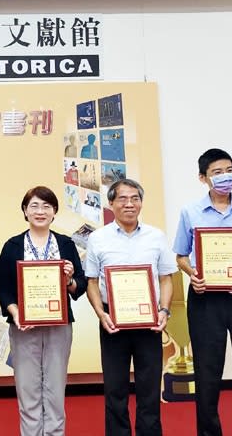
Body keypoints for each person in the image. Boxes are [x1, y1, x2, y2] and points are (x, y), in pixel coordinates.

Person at [173, 148, 232, 436]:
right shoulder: (190, 211)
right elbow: (181, 255)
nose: (225, 176)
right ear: (203, 178)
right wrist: (192, 274)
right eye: (217, 172)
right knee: (208, 375)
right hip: (206, 301)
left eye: (229, 169)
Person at [85, 179, 176, 436]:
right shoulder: (97, 238)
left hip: (149, 321)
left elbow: (166, 278)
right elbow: (92, 281)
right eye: (122, 199)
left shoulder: (156, 236)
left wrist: (164, 311)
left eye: (135, 198)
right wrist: (100, 314)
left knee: (148, 388)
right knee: (115, 389)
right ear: (111, 203)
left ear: (141, 203)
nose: (129, 204)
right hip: (112, 320)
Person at [0, 186, 87, 436]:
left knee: (55, 391)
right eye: (34, 205)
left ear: (55, 211)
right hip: (23, 327)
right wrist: (15, 314)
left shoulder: (66, 244)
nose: (40, 211)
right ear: (25, 211)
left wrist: (69, 279)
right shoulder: (12, 245)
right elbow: (2, 288)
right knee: (28, 390)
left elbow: (80, 284)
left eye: (46, 206)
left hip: (59, 326)